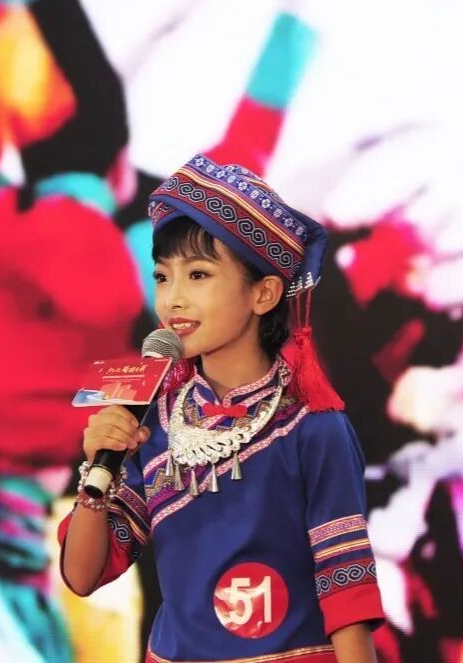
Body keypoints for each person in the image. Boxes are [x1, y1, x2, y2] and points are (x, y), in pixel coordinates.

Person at [57, 154, 384, 662]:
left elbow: (346, 591)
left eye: (198, 275)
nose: (173, 299)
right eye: (162, 277)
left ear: (264, 293)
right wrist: (99, 475)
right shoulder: (156, 423)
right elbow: (83, 575)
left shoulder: (313, 428)